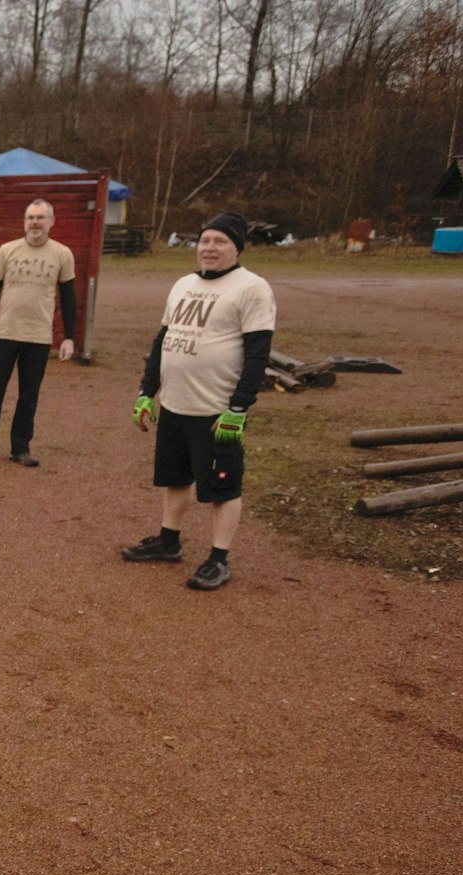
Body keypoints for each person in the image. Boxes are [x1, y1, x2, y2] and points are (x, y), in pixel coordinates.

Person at [121, 212, 275, 591]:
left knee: (221, 487)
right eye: (205, 241)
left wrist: (239, 408)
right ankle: (169, 541)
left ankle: (219, 559)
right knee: (175, 478)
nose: (209, 248)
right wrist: (146, 392)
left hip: (216, 411)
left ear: (236, 247)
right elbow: (162, 342)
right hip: (175, 405)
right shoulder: (183, 285)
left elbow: (258, 355)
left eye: (219, 241)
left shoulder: (251, 288)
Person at [0, 198, 77, 468]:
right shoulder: (8, 250)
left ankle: (20, 448)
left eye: (40, 217)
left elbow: (69, 298)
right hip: (4, 333)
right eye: (31, 217)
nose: (35, 222)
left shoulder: (62, 254)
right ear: (24, 221)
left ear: (51, 221)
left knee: (29, 395)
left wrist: (70, 337)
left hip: (38, 337)